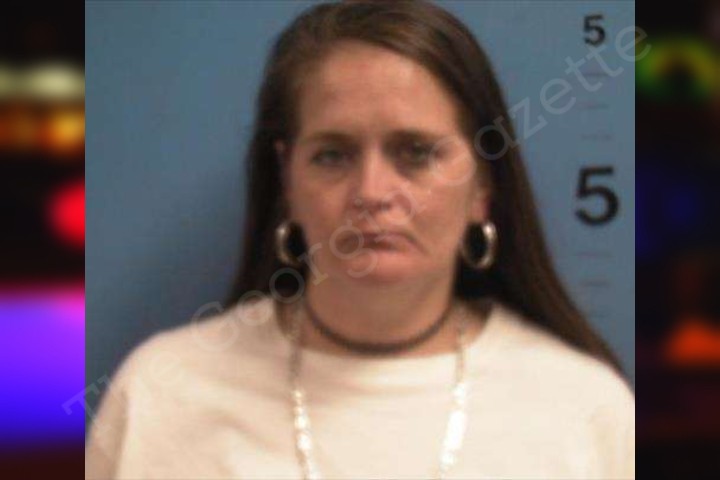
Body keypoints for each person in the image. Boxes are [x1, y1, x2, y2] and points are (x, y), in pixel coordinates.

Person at [86, 1, 635, 479]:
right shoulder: (163, 395)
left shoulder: (584, 410)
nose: (372, 192)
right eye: (333, 155)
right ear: (287, 182)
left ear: (482, 187)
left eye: (416, 153)